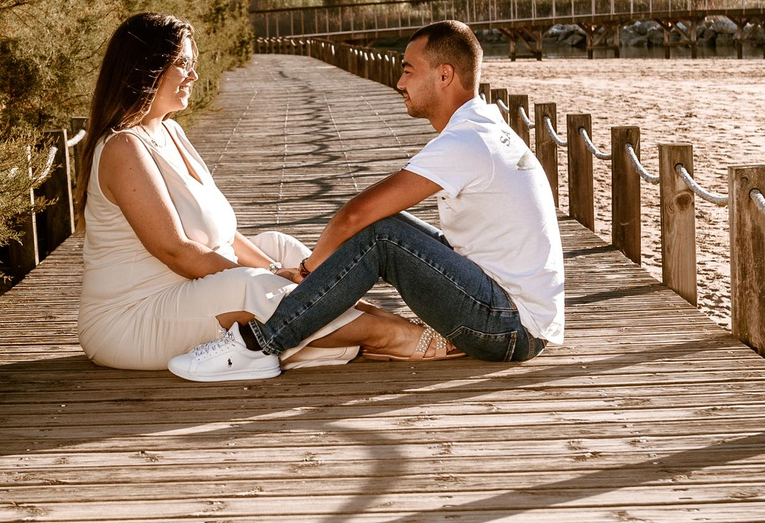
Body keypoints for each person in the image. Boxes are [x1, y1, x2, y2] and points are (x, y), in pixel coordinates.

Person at [169, 20, 566, 383]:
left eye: (409, 69)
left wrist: (309, 269)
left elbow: (355, 214)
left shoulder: (466, 140)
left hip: (509, 328)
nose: (399, 82)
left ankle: (259, 344)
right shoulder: (482, 126)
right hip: (515, 317)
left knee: (382, 234)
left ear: (445, 75)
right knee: (393, 227)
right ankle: (279, 332)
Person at [76, 14, 378, 370]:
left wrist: (277, 269)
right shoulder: (122, 147)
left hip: (187, 294)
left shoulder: (172, 133)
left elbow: (226, 234)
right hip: (133, 318)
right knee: (251, 286)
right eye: (183, 64)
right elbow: (176, 251)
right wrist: (270, 279)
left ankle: (356, 323)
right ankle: (391, 333)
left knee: (279, 248)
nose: (194, 75)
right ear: (146, 69)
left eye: (193, 64)